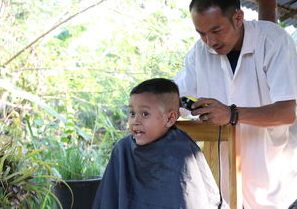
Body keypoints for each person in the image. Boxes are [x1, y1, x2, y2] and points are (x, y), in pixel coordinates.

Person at [174, 0, 297, 209]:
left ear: (238, 18)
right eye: (202, 34)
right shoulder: (199, 53)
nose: (210, 42)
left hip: (283, 179)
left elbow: (285, 113)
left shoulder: (273, 40)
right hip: (232, 182)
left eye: (216, 30)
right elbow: (177, 97)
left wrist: (231, 114)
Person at [92, 78, 228, 209]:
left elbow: (188, 201)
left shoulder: (181, 153)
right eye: (132, 113)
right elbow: (109, 200)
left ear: (170, 118)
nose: (135, 121)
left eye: (145, 114)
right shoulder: (123, 150)